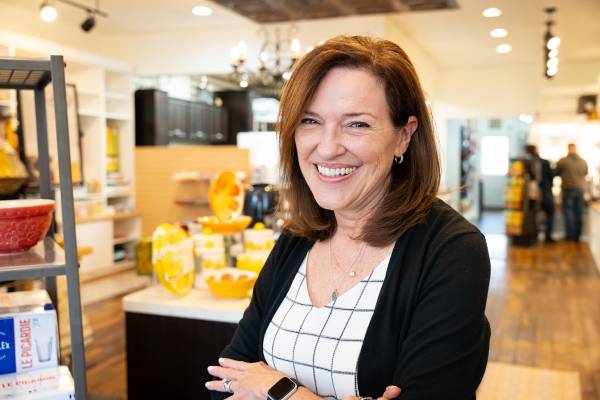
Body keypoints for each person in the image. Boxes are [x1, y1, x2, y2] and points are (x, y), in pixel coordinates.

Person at [206, 36, 491, 400]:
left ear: (404, 135)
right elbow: (226, 382)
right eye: (310, 121)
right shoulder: (297, 238)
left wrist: (281, 391)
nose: (327, 147)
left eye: (356, 124)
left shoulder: (452, 251)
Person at [555, 143, 588, 242]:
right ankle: (577, 236)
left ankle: (570, 236)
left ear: (568, 149)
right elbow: (585, 173)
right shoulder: (583, 161)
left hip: (568, 189)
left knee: (569, 212)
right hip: (580, 189)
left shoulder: (563, 161)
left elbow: (557, 172)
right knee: (578, 212)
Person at [524, 144, 555, 242]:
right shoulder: (545, 162)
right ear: (536, 150)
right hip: (546, 191)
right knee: (549, 213)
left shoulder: (525, 162)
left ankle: (534, 236)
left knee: (533, 214)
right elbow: (551, 177)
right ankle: (548, 236)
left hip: (530, 194)